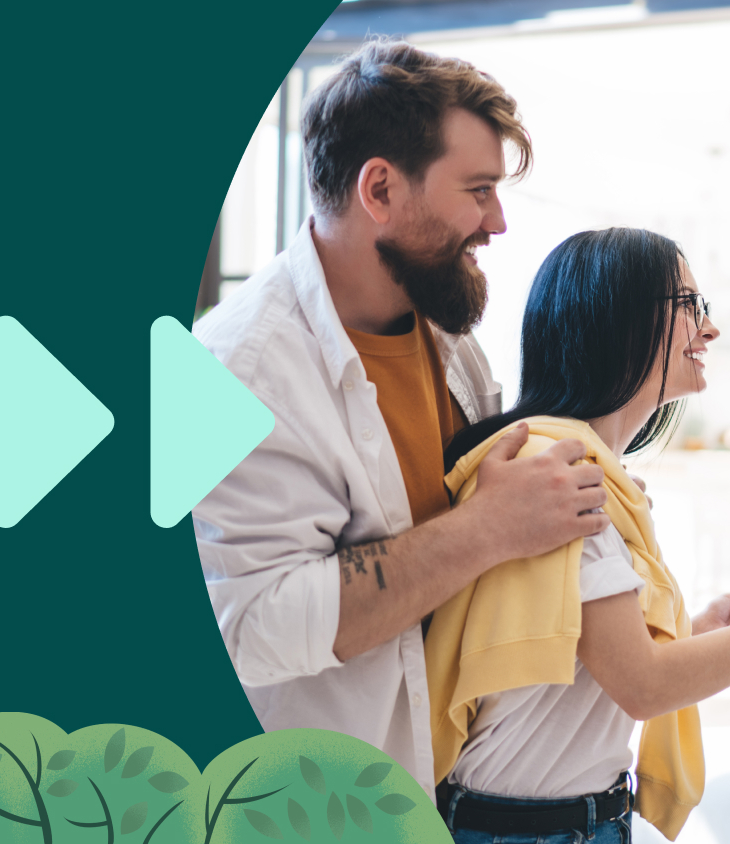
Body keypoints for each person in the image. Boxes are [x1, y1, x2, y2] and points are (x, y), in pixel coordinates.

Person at [192, 40, 620, 798]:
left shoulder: (447, 335)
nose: (497, 223)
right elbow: (250, 627)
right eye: (478, 189)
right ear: (381, 189)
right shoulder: (237, 371)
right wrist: (488, 528)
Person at [427, 228, 730, 843]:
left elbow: (579, 665)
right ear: (620, 320)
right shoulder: (563, 480)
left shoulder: (579, 469)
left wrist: (696, 635)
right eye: (690, 306)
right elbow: (643, 684)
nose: (709, 330)